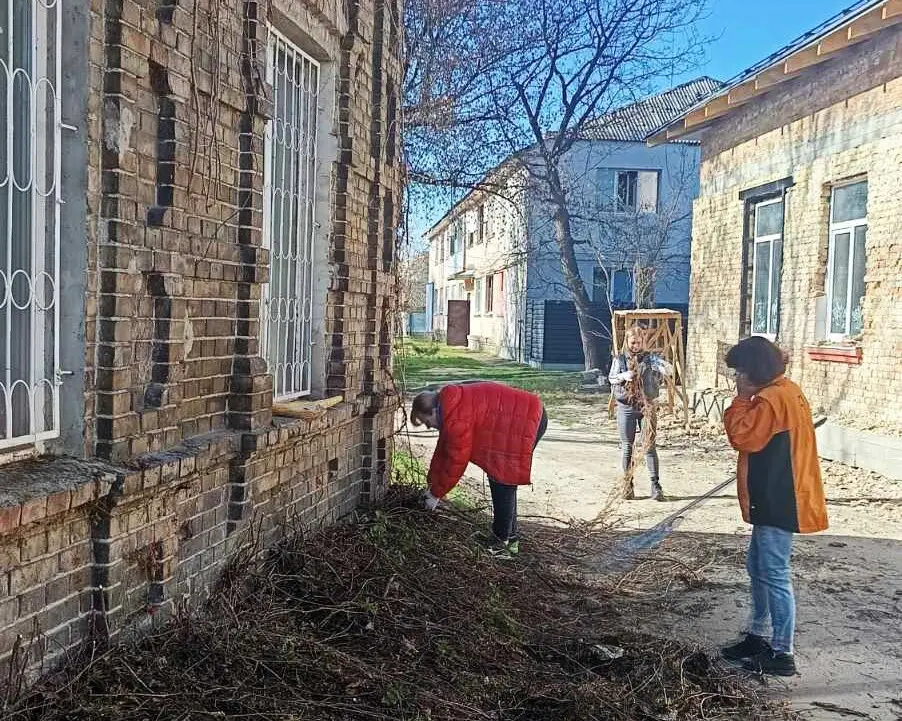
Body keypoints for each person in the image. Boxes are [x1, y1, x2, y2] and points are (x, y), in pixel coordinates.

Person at [720, 336, 828, 676]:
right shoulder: (788, 389)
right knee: (758, 566)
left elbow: (742, 436)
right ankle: (758, 634)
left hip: (779, 497)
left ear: (753, 371)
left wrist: (739, 400)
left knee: (775, 573)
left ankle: (783, 652)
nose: (736, 377)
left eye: (739, 371)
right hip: (779, 493)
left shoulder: (769, 400)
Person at [410, 381, 547, 559]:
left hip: (525, 420)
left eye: (426, 422)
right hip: (522, 415)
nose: (429, 427)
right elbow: (443, 453)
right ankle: (510, 542)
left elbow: (456, 461)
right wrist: (432, 486)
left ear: (433, 411)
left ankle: (500, 547)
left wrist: (435, 495)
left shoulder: (455, 417)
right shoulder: (450, 405)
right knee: (502, 479)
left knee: (502, 480)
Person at [608, 325, 673, 501]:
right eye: (633, 342)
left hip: (647, 406)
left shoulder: (651, 358)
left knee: (649, 445)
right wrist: (623, 376)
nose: (636, 345)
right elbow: (611, 378)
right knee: (628, 446)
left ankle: (655, 485)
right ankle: (627, 485)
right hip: (626, 407)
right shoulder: (620, 359)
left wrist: (664, 367)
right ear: (627, 342)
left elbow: (669, 370)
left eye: (640, 342)